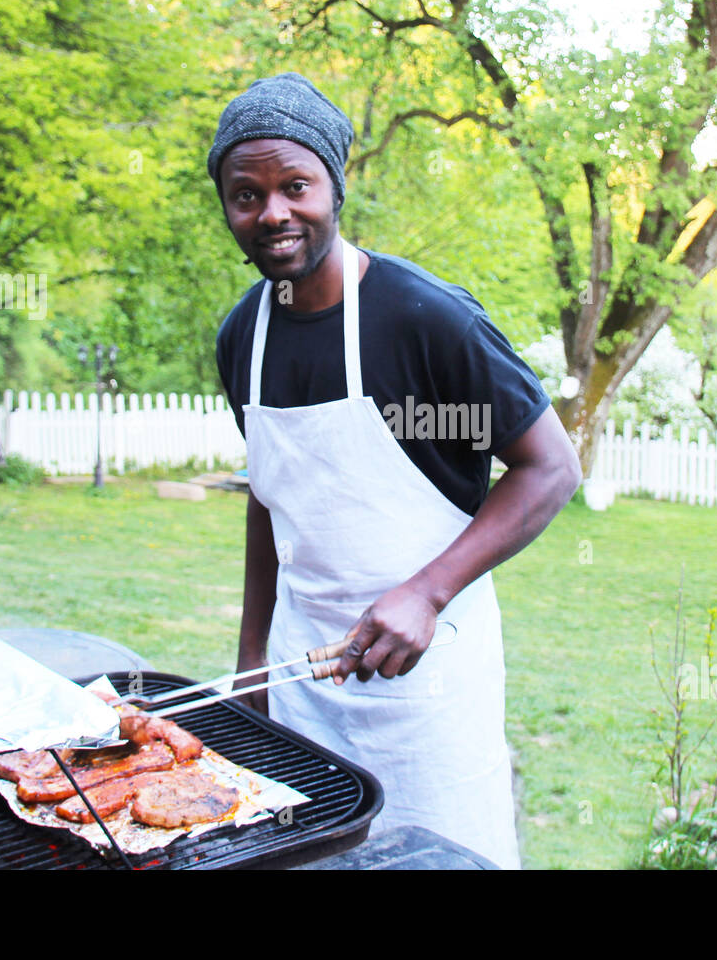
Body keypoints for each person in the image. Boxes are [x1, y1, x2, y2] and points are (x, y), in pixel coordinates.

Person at [209, 72, 581, 869]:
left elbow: (549, 468)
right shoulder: (243, 335)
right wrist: (249, 661)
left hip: (429, 688)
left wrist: (426, 591)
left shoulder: (423, 317)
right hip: (302, 672)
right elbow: (270, 498)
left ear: (333, 188)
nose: (272, 212)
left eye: (294, 185)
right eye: (246, 194)